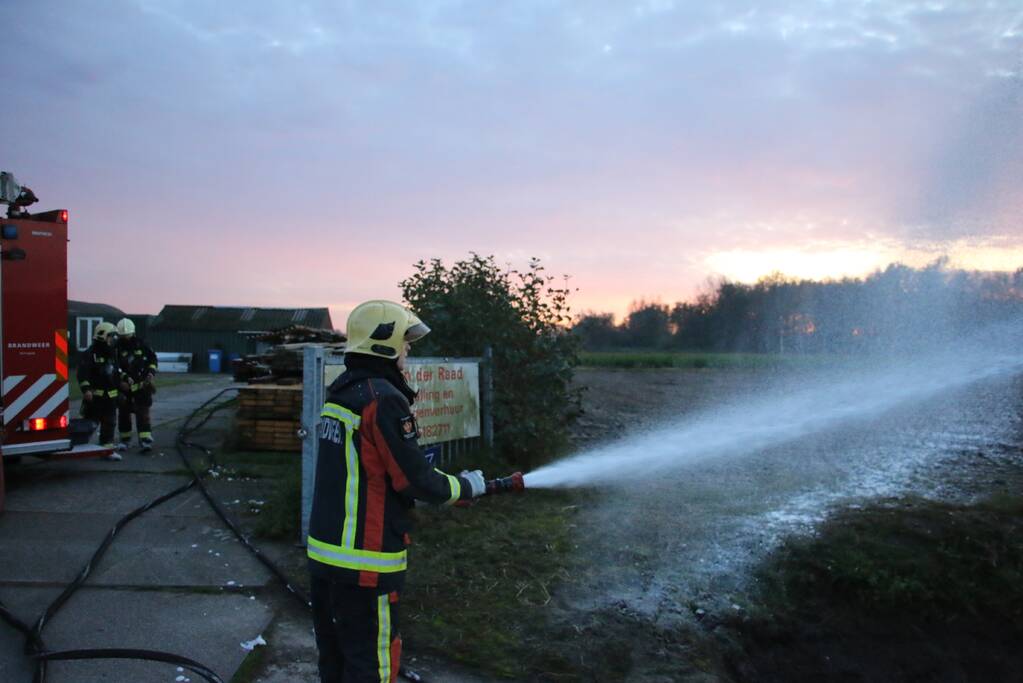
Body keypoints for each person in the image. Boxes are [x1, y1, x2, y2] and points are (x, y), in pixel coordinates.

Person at [307, 300, 486, 683]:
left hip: (325, 558)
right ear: (383, 344)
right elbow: (414, 478)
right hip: (367, 562)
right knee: (372, 666)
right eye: (405, 342)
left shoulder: (342, 393)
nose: (408, 349)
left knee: (335, 661)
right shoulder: (383, 399)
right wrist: (466, 486)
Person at [77, 321, 122, 461]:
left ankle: (107, 450)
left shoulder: (112, 354)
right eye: (111, 336)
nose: (113, 340)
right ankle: (79, 447)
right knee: (89, 423)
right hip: (94, 399)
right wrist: (86, 390)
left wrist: (121, 388)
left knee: (110, 423)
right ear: (102, 336)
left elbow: (116, 373)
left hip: (110, 398)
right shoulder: (90, 354)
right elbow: (82, 374)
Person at [115, 317, 158, 452]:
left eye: (127, 335)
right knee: (123, 414)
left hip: (142, 386)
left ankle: (145, 440)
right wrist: (121, 381)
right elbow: (113, 367)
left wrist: (151, 372)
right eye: (123, 336)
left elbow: (152, 359)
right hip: (124, 388)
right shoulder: (116, 348)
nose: (126, 338)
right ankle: (125, 440)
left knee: (143, 413)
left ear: (133, 333)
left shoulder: (142, 345)